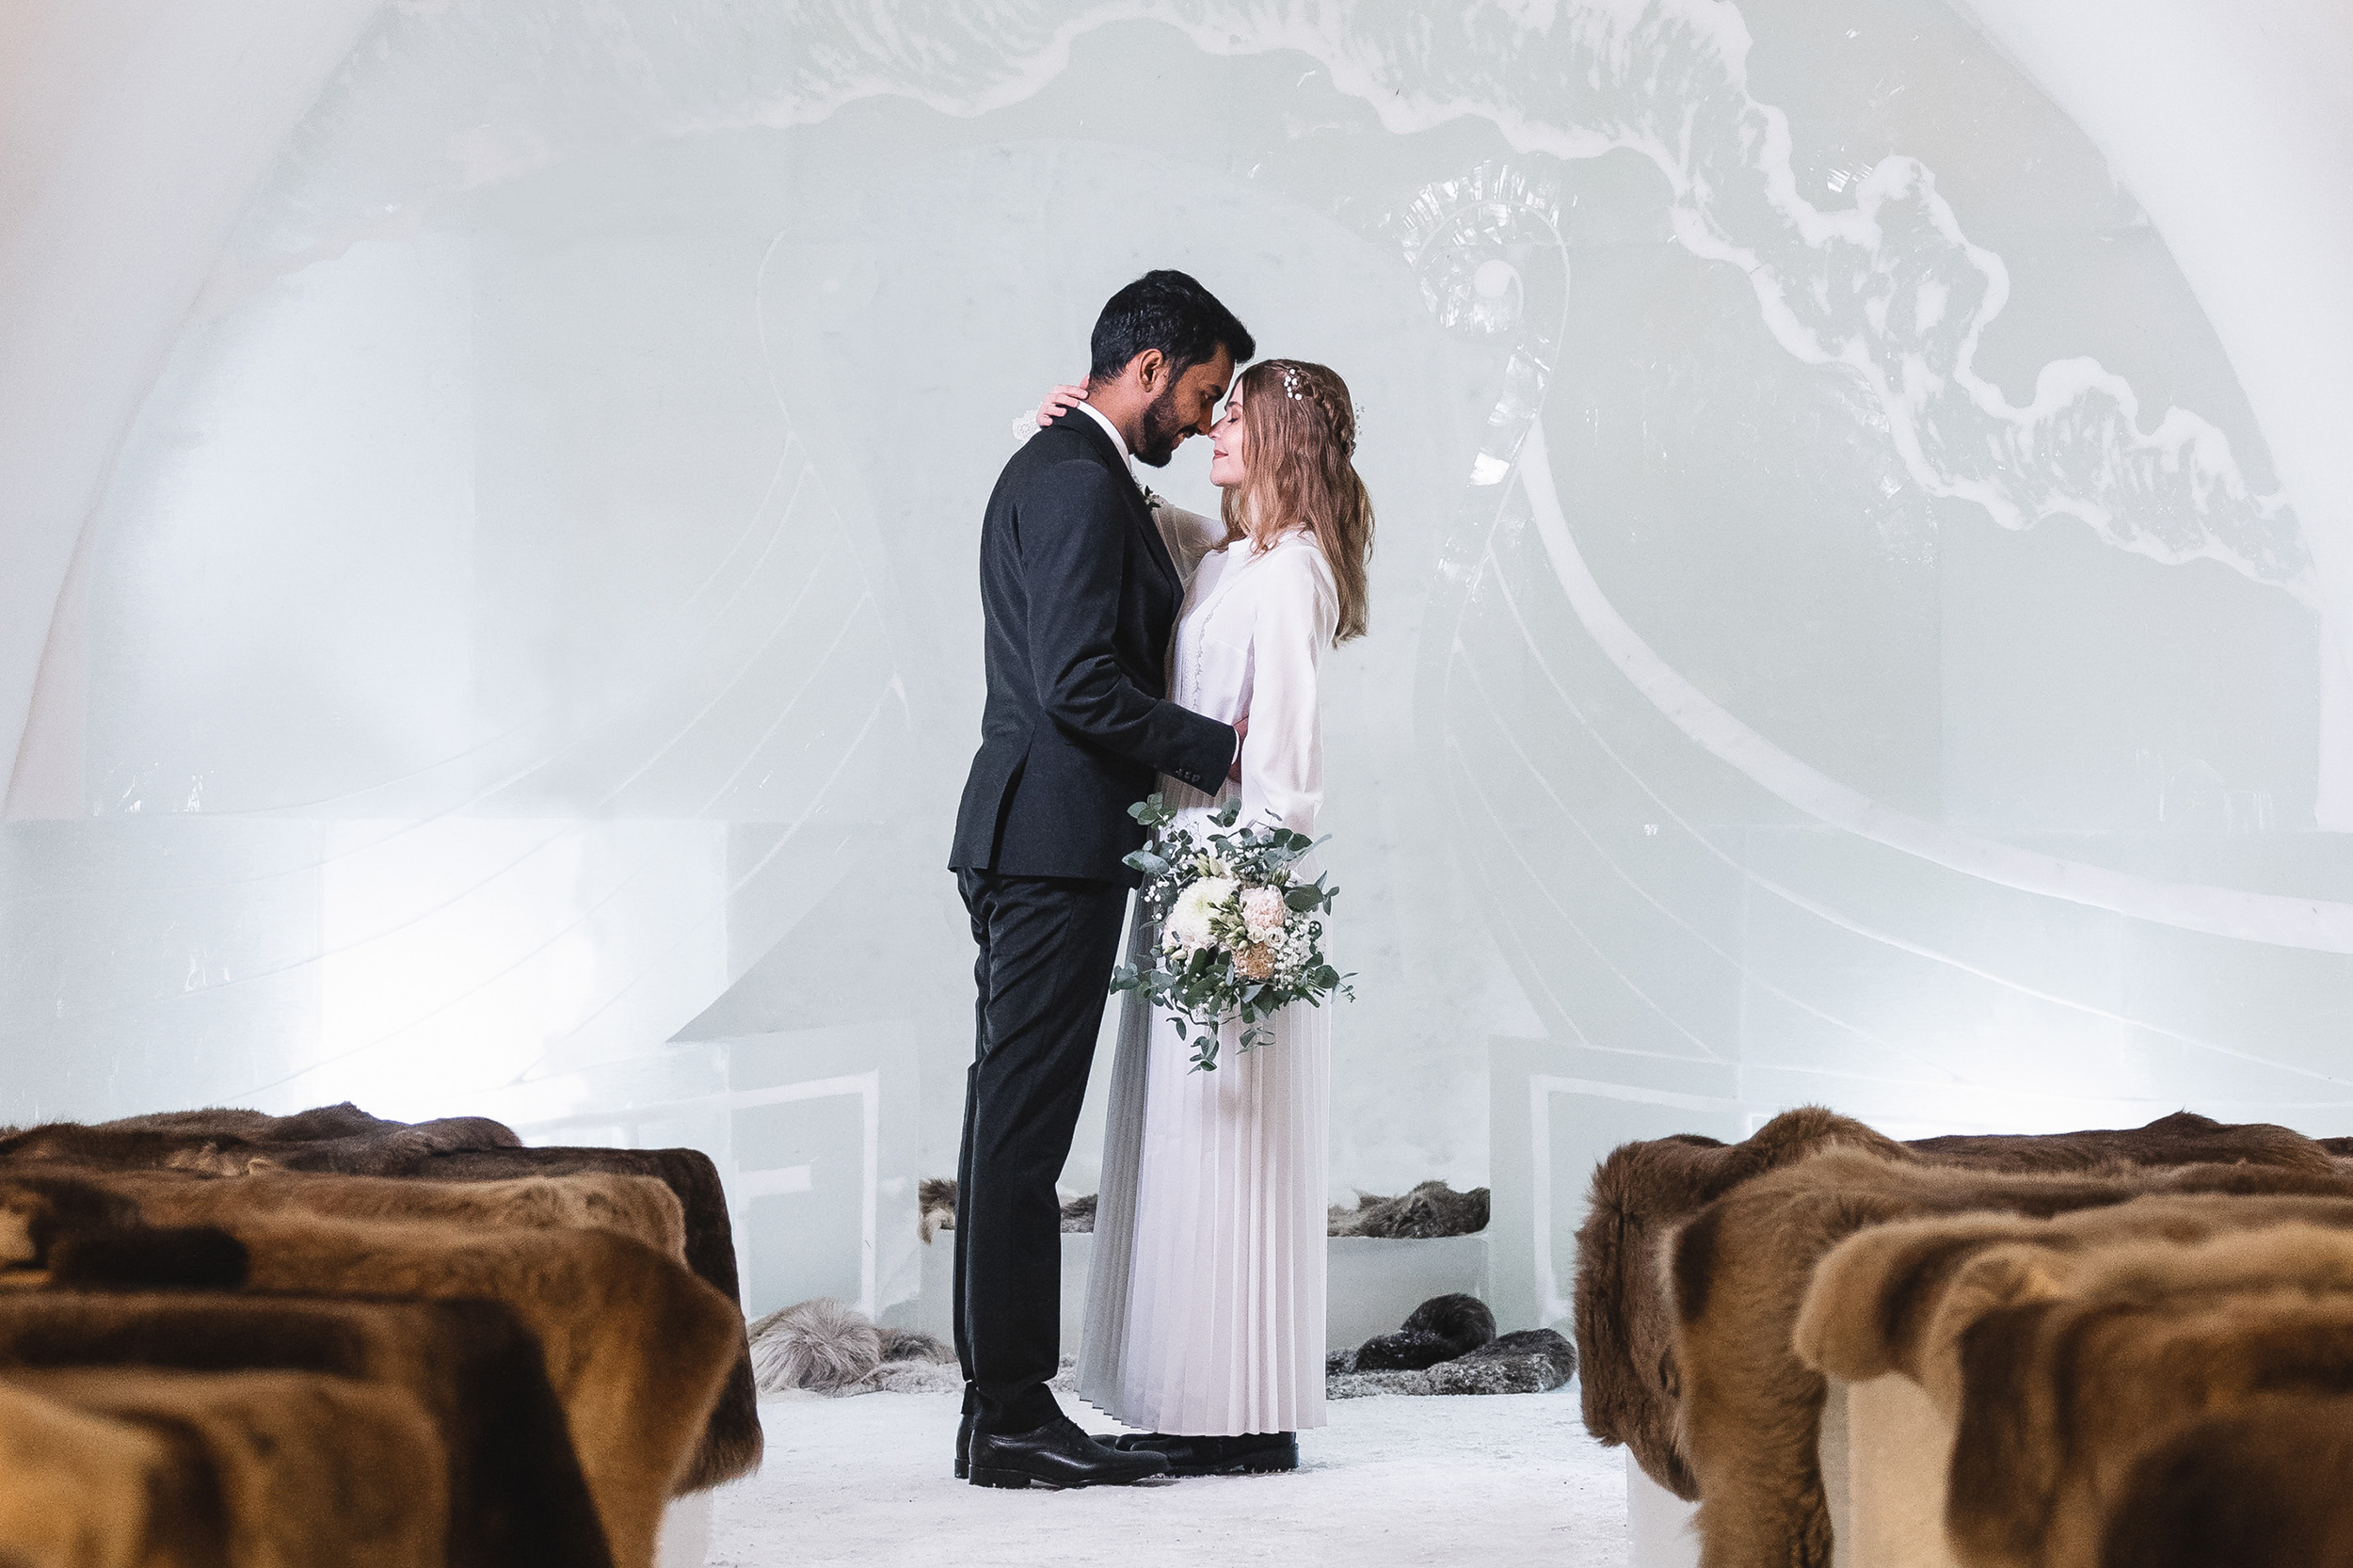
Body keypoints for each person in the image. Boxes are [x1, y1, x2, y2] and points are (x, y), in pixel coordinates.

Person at [947, 270, 1256, 1490]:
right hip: (1049, 842)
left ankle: (1000, 1414)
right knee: (1019, 1143)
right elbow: (1077, 683)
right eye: (1202, 392)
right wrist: (1216, 749)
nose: (1204, 416)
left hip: (1042, 837)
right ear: (1148, 368)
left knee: (1009, 1135)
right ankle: (1011, 1415)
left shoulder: (1077, 467)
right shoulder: (1075, 478)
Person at [1048, 358, 1376, 1477]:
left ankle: (1243, 1415)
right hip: (1177, 860)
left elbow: (1287, 767)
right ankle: (1186, 1395)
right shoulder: (1227, 557)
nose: (1211, 428)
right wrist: (1073, 427)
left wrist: (1247, 906)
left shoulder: (1292, 574)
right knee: (1179, 1142)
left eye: (1233, 415)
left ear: (1281, 437)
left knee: (1229, 1145)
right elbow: (1142, 510)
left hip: (1233, 881)